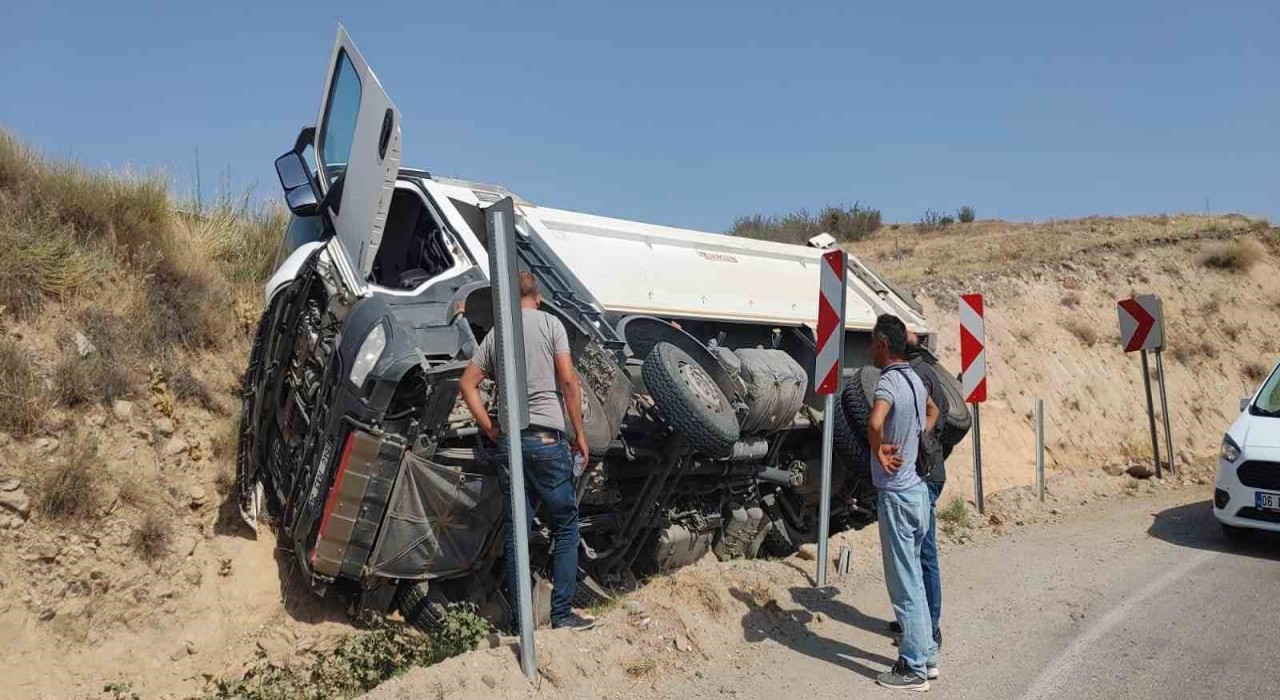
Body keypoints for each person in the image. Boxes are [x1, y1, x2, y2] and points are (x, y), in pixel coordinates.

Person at [458, 271, 595, 631]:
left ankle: (522, 625)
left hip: (510, 442)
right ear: (537, 297)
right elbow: (567, 380)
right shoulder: (551, 325)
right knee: (565, 525)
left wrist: (490, 428)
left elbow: (466, 383)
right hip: (547, 441)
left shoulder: (496, 334)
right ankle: (561, 615)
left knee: (516, 531)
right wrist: (579, 432)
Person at [867, 314, 940, 691]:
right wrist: (915, 437)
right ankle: (926, 657)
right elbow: (934, 412)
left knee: (904, 585)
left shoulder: (890, 381)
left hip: (896, 496)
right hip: (918, 493)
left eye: (872, 341)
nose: (870, 347)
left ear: (882, 343)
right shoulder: (915, 377)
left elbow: (875, 421)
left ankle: (912, 668)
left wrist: (879, 451)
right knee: (914, 577)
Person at [889, 333, 949, 654]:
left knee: (923, 553)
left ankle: (931, 629)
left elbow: (931, 415)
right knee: (914, 553)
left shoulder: (916, 375)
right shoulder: (924, 371)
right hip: (928, 471)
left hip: (924, 474)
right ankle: (917, 621)